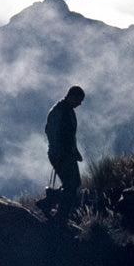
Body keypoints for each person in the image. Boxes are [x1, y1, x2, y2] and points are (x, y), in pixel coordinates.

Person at [44, 85, 85, 221]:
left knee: (74, 183)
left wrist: (74, 152)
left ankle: (50, 202)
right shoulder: (59, 110)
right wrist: (58, 152)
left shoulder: (67, 110)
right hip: (60, 154)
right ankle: (60, 216)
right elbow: (51, 131)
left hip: (67, 154)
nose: (79, 104)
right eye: (79, 100)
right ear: (72, 96)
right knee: (71, 185)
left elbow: (69, 136)